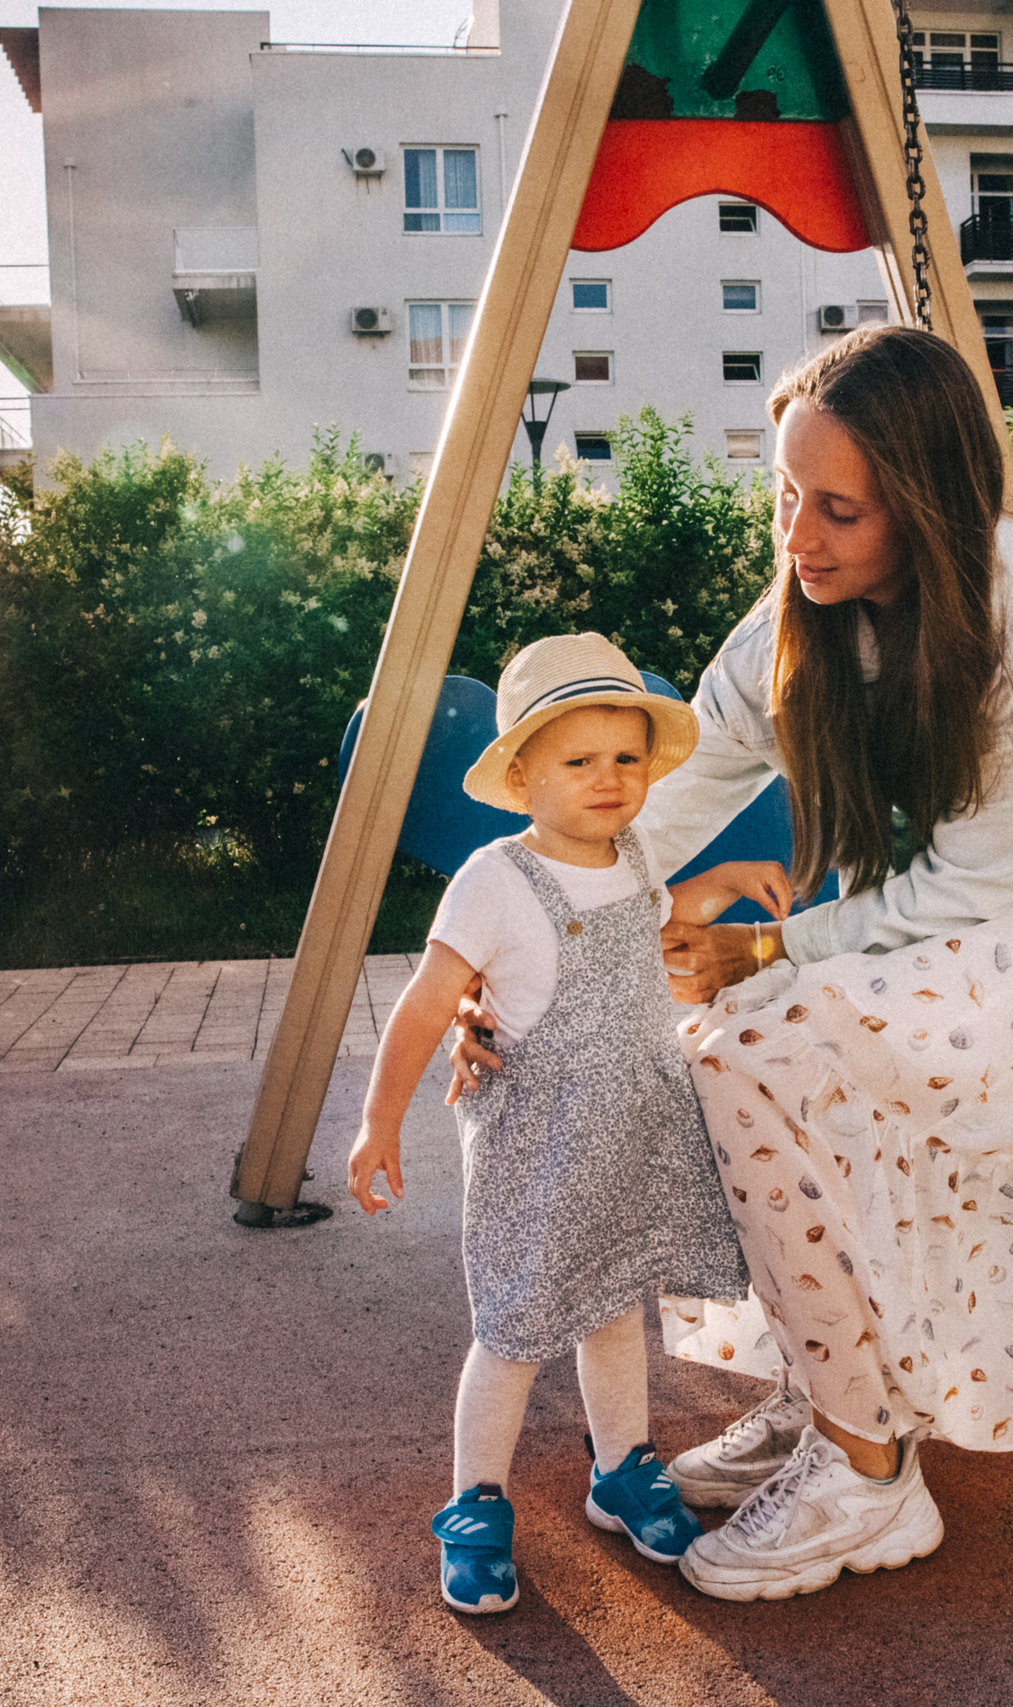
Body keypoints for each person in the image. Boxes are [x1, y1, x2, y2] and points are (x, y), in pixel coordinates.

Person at [452, 324, 1013, 1602]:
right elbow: (675, 783)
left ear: (925, 507)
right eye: (782, 496)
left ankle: (866, 1470)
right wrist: (521, 950)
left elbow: (981, 883)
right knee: (704, 1036)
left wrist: (760, 948)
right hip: (964, 934)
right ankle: (832, 1401)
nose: (798, 537)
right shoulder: (804, 613)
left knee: (751, 1045)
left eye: (838, 510)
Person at [346, 630, 794, 1616]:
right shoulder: (495, 881)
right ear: (525, 773)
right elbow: (427, 1004)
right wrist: (377, 1125)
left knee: (613, 1310)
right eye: (580, 761)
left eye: (627, 759)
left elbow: (645, 915)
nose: (610, 780)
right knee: (512, 1331)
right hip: (537, 1153)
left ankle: (621, 1470)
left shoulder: (631, 853)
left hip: (626, 1139)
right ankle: (475, 1505)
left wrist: (718, 886)